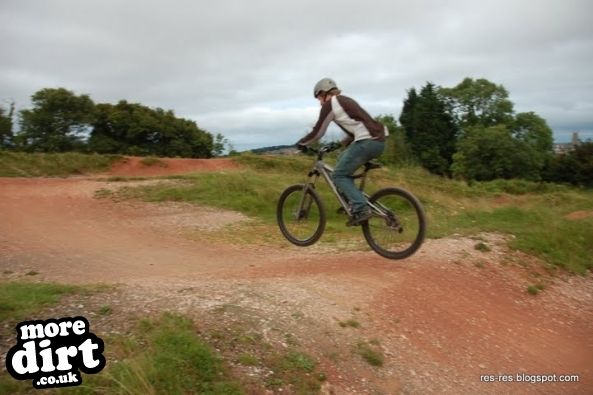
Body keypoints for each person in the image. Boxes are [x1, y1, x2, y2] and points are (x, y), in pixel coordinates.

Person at [296, 78, 389, 226]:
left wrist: (302, 143)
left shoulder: (330, 104)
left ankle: (361, 208)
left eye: (319, 98)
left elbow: (318, 131)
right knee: (341, 160)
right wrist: (337, 145)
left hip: (367, 142)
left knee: (338, 175)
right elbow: (355, 129)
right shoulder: (345, 101)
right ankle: (351, 202)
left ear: (324, 92)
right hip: (378, 141)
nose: (320, 102)